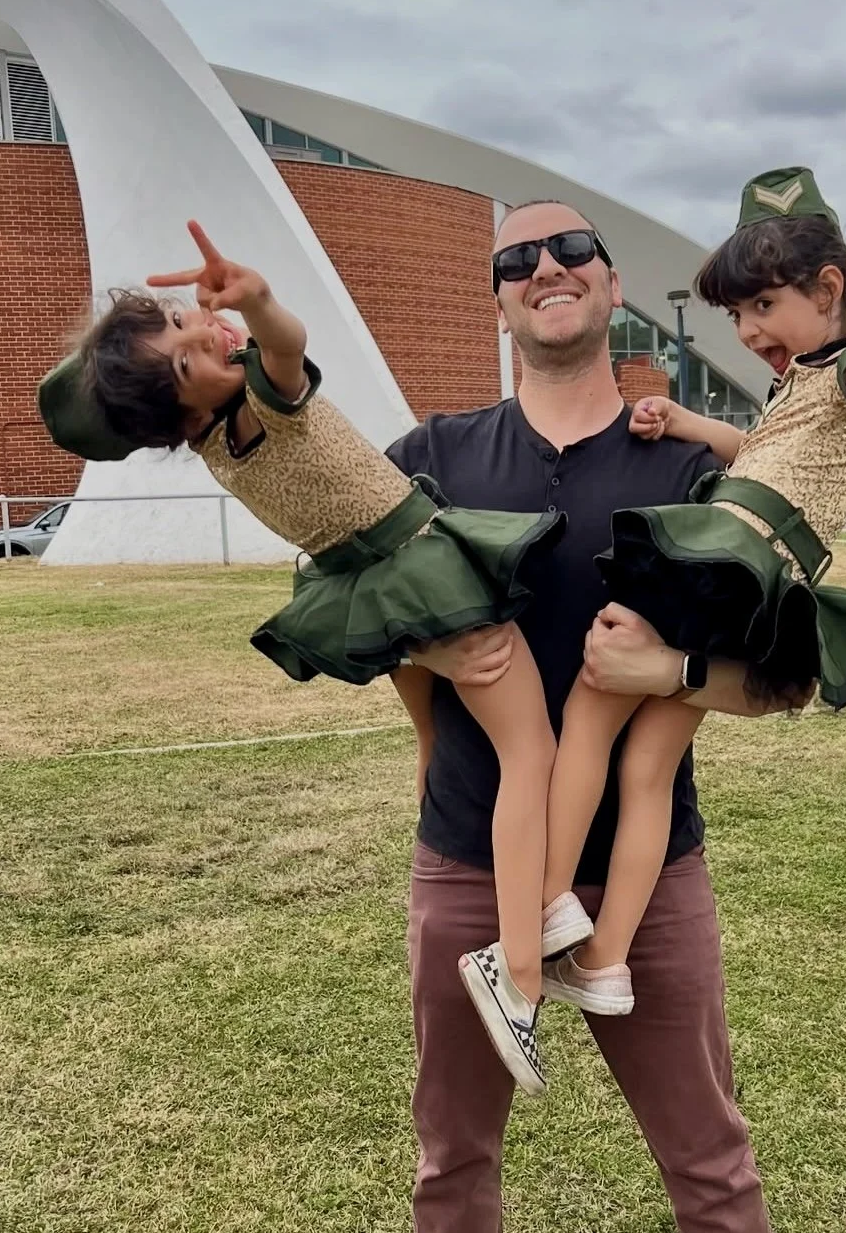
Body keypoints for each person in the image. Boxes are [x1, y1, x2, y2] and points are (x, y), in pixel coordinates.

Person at [376, 197, 835, 1233]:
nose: (546, 269)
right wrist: (430, 652)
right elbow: (364, 619)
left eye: (569, 249)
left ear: (611, 284)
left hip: (650, 871)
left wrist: (675, 665)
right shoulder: (435, 452)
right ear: (499, 300)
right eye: (516, 259)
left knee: (707, 1151)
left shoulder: (684, 466)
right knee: (450, 1147)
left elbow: (779, 679)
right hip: (469, 865)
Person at [36, 223, 586, 1097]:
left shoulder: (223, 442)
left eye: (186, 320)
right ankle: (519, 964)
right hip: (418, 568)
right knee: (532, 749)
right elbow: (288, 348)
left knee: (441, 747)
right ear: (187, 414)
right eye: (188, 359)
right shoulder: (265, 400)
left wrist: (225, 318)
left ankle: (467, 904)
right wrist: (253, 301)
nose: (206, 335)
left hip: (367, 590)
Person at [536, 168, 846, 1010]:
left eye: (762, 307)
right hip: (760, 586)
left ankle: (542, 909)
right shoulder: (805, 385)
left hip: (726, 556)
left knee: (591, 702)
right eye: (738, 314)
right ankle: (604, 963)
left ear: (828, 289)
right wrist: (685, 423)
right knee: (647, 765)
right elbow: (759, 448)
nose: (749, 330)